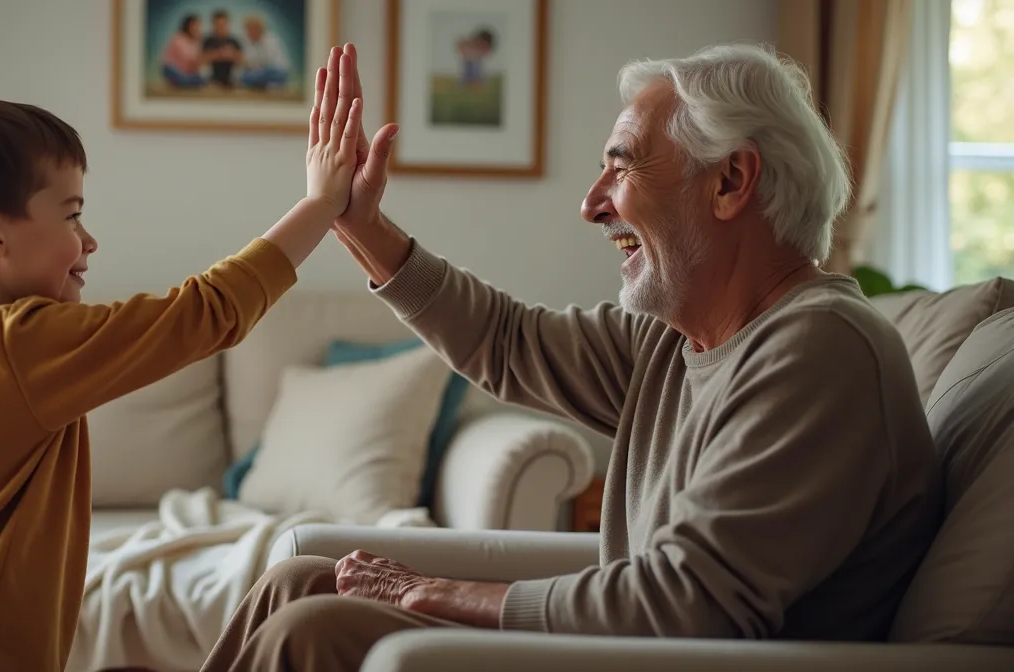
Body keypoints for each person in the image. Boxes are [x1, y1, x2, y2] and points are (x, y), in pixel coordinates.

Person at [200, 42, 943, 672]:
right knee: (302, 581)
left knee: (315, 629)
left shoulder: (817, 349)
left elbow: (688, 604)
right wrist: (359, 225)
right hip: (645, 648)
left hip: (698, 659)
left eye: (621, 168)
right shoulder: (681, 336)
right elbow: (508, 342)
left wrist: (434, 591)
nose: (591, 203)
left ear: (730, 181)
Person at [0, 48, 365, 672]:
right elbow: (206, 312)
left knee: (291, 597)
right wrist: (321, 205)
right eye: (72, 214)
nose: (89, 240)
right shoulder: (15, 344)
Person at [240, 15, 290, 91]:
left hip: (276, 71)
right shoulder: (247, 42)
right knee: (245, 77)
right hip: (260, 73)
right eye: (248, 30)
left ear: (259, 29)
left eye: (253, 29)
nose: (250, 32)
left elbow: (267, 62)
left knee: (265, 73)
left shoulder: (271, 40)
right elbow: (246, 63)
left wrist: (251, 64)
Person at [160, 14, 207, 89]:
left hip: (185, 72)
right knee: (186, 80)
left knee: (202, 79)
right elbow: (188, 59)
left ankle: (187, 82)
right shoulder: (179, 38)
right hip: (172, 69)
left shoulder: (195, 42)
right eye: (194, 26)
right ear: (187, 26)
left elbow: (196, 64)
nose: (196, 28)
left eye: (198, 26)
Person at [201, 9, 241, 88]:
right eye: (218, 24)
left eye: (223, 24)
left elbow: (243, 61)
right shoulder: (208, 41)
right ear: (213, 24)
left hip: (232, 81)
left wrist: (231, 55)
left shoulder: (234, 40)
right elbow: (200, 60)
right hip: (211, 81)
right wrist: (218, 55)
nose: (221, 27)